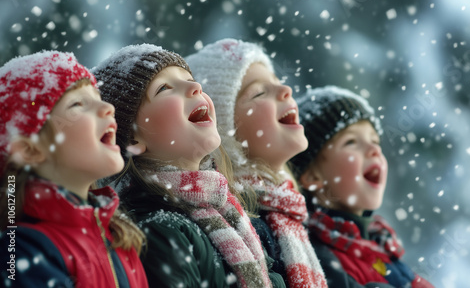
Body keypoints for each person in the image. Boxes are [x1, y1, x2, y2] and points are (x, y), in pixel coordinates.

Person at [92, 44, 284, 288]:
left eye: (190, 79)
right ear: (132, 138)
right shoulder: (158, 229)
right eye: (164, 88)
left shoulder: (231, 212)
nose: (195, 87)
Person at [186, 38, 327, 288]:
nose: (286, 91)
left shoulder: (291, 214)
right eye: (260, 92)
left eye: (278, 82)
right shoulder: (240, 226)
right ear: (225, 134)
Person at [0, 51, 148, 287]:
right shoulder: (21, 251)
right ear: (30, 151)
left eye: (98, 97)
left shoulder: (121, 237)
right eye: (78, 104)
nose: (108, 107)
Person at [288, 85, 434, 288]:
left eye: (375, 141)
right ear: (312, 176)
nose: (374, 149)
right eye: (351, 142)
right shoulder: (318, 258)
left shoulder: (379, 248)